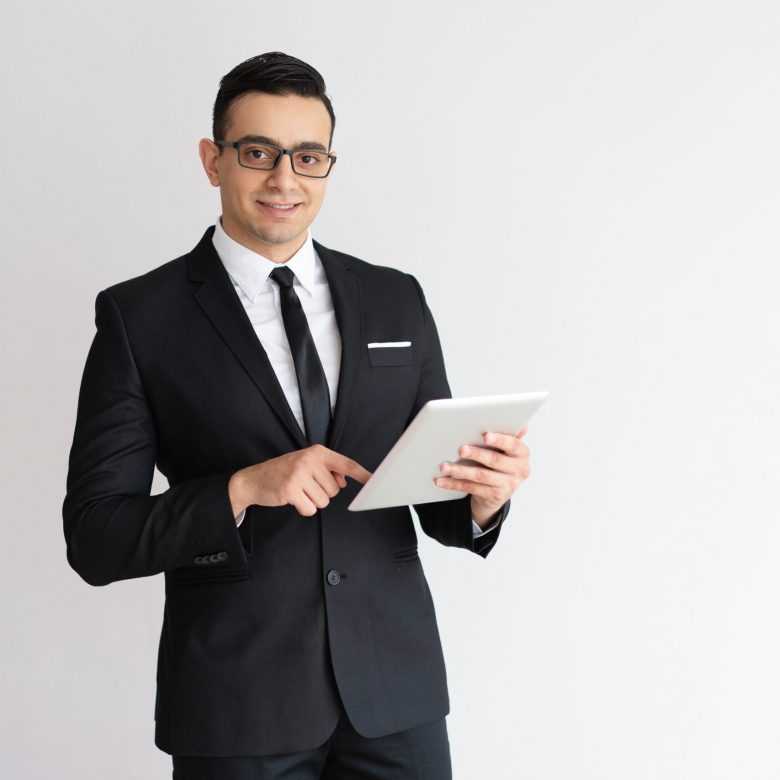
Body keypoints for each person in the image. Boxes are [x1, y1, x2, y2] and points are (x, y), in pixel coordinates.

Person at [62, 51, 532, 779]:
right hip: (237, 704)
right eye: (258, 153)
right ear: (213, 161)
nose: (284, 179)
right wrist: (243, 488)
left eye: (307, 156)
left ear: (327, 167)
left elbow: (436, 506)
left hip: (396, 699)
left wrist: (483, 498)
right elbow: (96, 537)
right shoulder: (140, 318)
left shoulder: (395, 298)